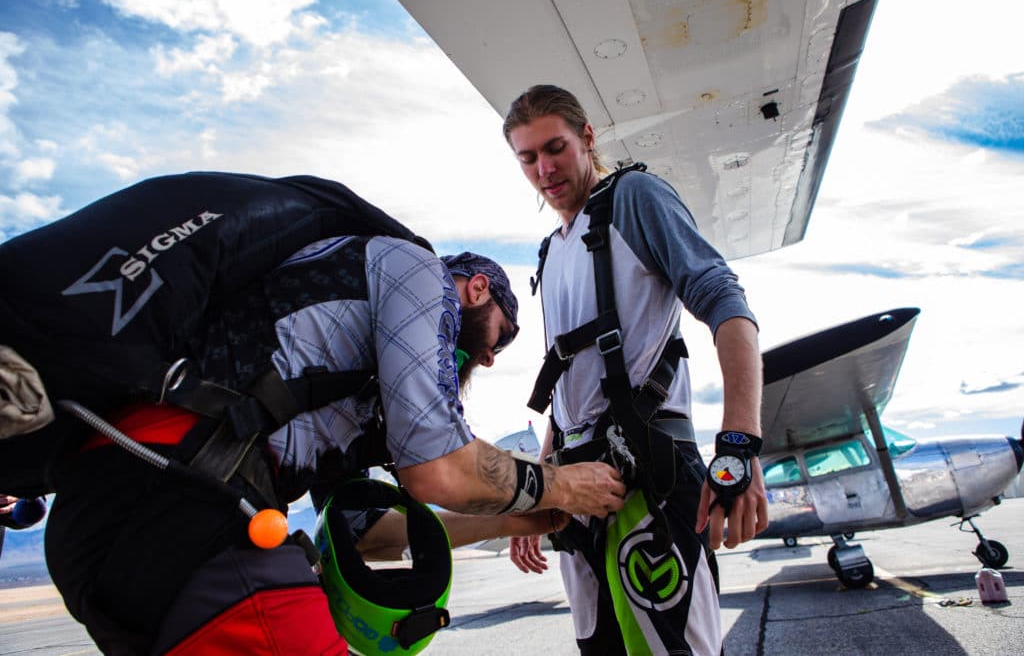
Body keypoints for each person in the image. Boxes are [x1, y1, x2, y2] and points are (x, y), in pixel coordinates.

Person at [43, 230, 626, 654]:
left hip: (119, 525)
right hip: (176, 492)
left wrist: (505, 522)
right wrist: (564, 486)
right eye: (501, 334)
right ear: (476, 288)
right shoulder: (419, 274)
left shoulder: (349, 391)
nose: (492, 356)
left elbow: (365, 533)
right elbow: (440, 471)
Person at [502, 85, 768, 655]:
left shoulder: (635, 198)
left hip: (647, 474)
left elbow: (727, 304)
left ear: (587, 138)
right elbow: (567, 391)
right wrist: (540, 488)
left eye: (555, 148)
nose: (544, 169)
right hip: (575, 490)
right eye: (528, 158)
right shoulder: (551, 251)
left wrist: (739, 442)